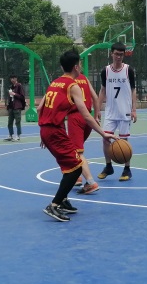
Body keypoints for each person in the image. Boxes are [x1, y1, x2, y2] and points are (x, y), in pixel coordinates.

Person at [38, 49, 111, 222]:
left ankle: (63, 200)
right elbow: (86, 115)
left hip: (48, 129)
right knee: (77, 166)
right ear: (76, 67)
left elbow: (41, 108)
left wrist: (43, 133)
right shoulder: (73, 86)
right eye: (80, 65)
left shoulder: (55, 82)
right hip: (55, 131)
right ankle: (54, 205)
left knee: (69, 166)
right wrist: (103, 133)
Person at [96, 42, 136, 181]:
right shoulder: (105, 71)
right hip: (111, 112)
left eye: (121, 54)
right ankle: (108, 166)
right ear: (111, 53)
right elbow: (102, 91)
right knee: (105, 139)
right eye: (116, 54)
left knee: (124, 141)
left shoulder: (128, 70)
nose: (119, 57)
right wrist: (97, 110)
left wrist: (134, 110)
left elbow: (133, 90)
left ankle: (127, 169)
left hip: (125, 111)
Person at [69, 69, 101, 195]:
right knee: (74, 150)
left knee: (77, 152)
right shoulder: (85, 78)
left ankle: (90, 182)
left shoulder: (67, 80)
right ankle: (77, 176)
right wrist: (96, 115)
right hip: (88, 118)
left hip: (76, 117)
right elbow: (96, 97)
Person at [4, 74, 25, 142]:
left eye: (13, 78)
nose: (12, 80)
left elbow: (22, 96)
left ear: (16, 78)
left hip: (17, 107)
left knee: (17, 122)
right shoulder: (11, 86)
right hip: (11, 106)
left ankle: (18, 136)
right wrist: (8, 104)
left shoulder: (19, 86)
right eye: (11, 78)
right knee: (10, 122)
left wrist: (14, 94)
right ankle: (10, 135)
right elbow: (10, 97)